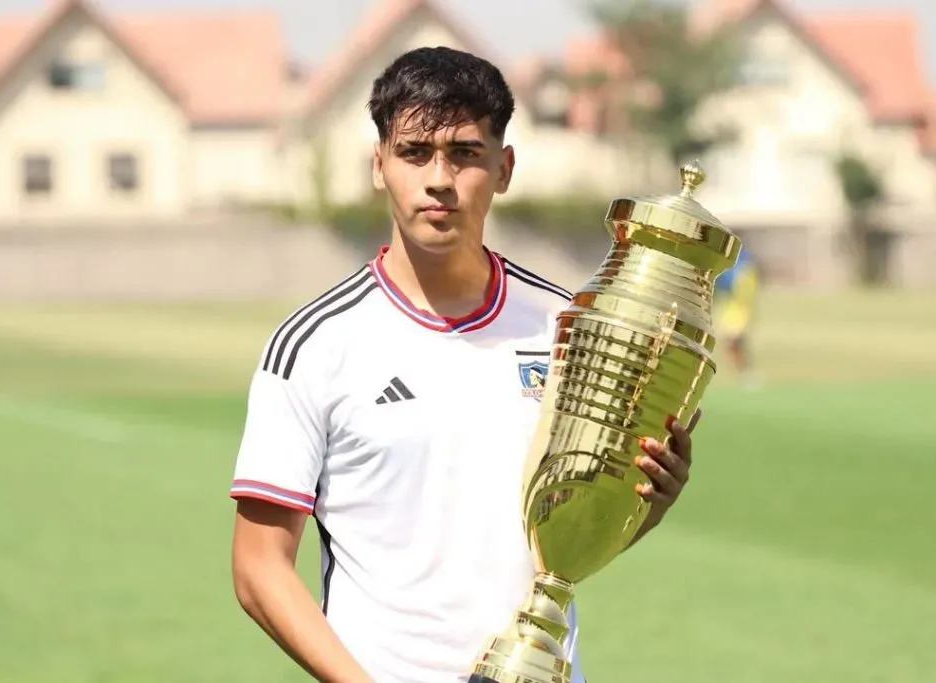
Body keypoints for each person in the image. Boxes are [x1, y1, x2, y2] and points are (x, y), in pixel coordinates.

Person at [228, 46, 701, 683]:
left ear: (503, 168)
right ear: (379, 165)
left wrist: (645, 502)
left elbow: (563, 542)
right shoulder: (314, 345)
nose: (440, 178)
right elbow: (259, 569)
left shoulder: (569, 329)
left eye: (464, 153)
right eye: (414, 152)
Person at [714, 248, 761, 386]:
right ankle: (742, 372)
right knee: (731, 343)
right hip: (733, 310)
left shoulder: (741, 271)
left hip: (739, 312)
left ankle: (745, 372)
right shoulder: (745, 269)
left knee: (733, 342)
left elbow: (729, 287)